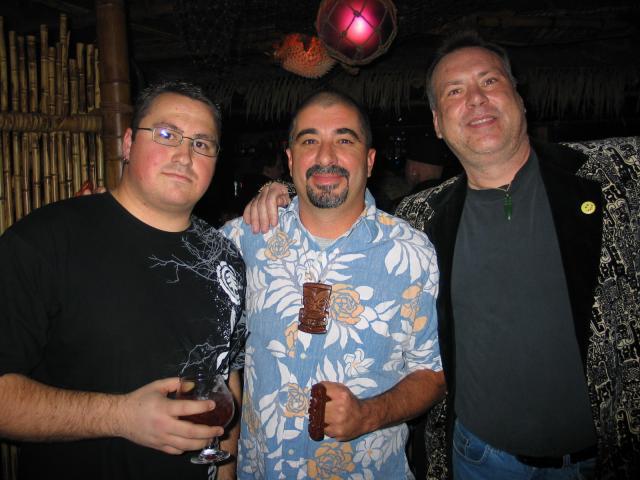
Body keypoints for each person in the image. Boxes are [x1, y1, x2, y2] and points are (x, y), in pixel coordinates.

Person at [243, 33, 640, 479]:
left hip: (610, 456)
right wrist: (277, 191)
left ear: (520, 98)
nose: (475, 99)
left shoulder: (619, 174)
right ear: (437, 122)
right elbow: (332, 199)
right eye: (454, 91)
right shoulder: (423, 217)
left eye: (489, 81)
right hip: (479, 459)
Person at [0, 81, 246, 480]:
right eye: (166, 134)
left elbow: (227, 374)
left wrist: (227, 471)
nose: (184, 155)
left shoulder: (225, 256)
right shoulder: (45, 240)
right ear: (128, 143)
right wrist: (120, 416)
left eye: (202, 143)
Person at [222, 90, 446, 479]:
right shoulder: (243, 240)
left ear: (370, 160)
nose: (325, 156)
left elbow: (433, 374)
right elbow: (216, 357)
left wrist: (369, 414)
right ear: (290, 160)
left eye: (344, 140)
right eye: (309, 141)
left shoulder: (413, 253)